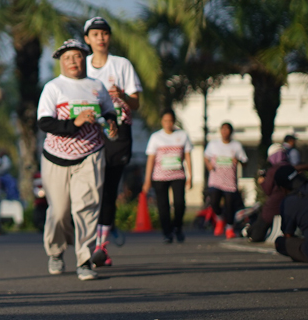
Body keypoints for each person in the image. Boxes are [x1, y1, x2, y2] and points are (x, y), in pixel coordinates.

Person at [37, 38, 117, 281]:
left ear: (85, 59)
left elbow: (109, 112)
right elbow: (44, 123)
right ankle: (56, 251)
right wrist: (76, 122)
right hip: (56, 157)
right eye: (67, 57)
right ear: (60, 62)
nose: (73, 61)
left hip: (90, 155)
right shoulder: (53, 87)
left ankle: (84, 260)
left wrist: (111, 124)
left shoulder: (97, 86)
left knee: (86, 208)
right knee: (59, 211)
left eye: (78, 56)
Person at [83, 17, 142, 266]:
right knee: (89, 190)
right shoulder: (80, 65)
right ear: (87, 39)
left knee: (108, 189)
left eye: (104, 33)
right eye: (95, 34)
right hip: (88, 134)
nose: (100, 38)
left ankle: (100, 247)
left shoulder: (122, 65)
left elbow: (136, 103)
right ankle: (87, 240)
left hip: (118, 134)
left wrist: (123, 96)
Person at [142, 109, 194, 243]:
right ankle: (167, 233)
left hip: (178, 175)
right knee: (163, 206)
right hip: (160, 177)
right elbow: (151, 159)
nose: (168, 124)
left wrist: (190, 176)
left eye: (170, 121)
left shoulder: (182, 135)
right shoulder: (156, 137)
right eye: (165, 121)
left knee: (179, 203)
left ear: (174, 121)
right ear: (161, 122)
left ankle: (177, 226)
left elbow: (188, 156)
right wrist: (147, 180)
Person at [204, 122, 247, 237]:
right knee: (214, 202)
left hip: (230, 181)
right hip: (215, 180)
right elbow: (206, 157)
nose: (224, 132)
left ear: (231, 132)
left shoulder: (236, 146)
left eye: (227, 129)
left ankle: (229, 228)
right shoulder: (213, 144)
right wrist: (208, 165)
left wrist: (238, 160)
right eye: (223, 129)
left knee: (229, 206)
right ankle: (219, 218)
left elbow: (245, 161)